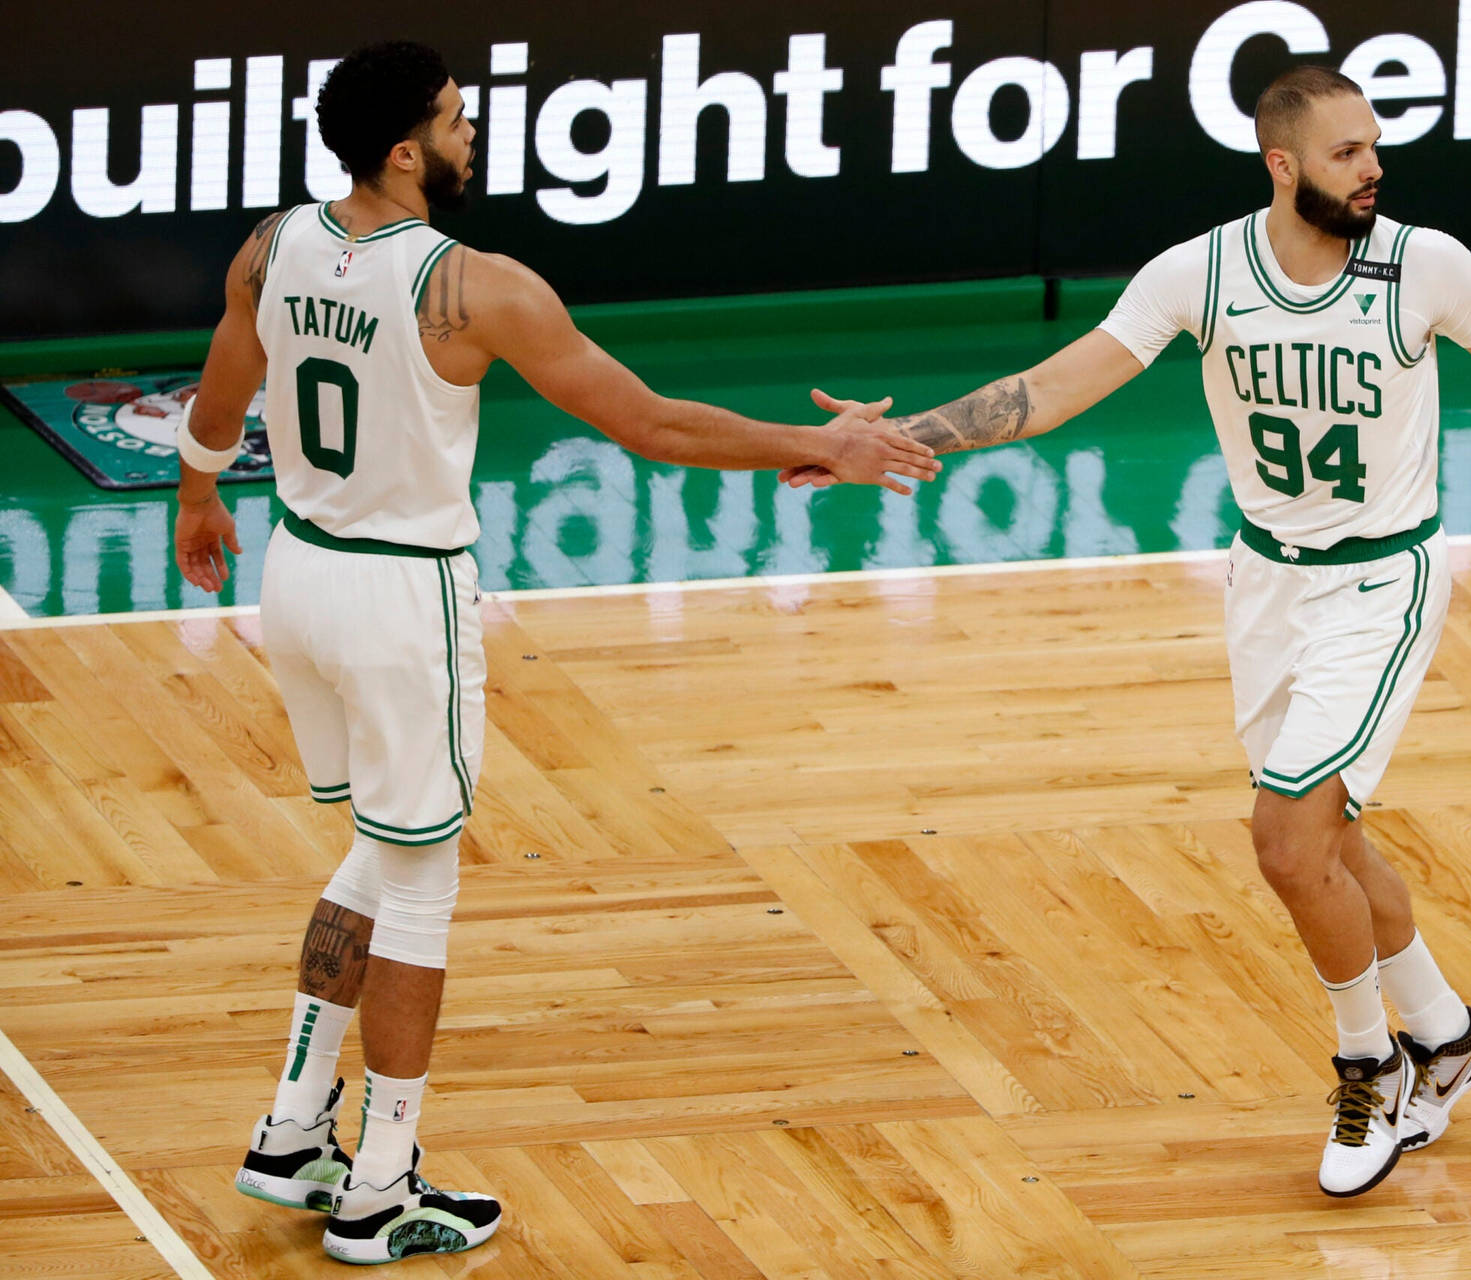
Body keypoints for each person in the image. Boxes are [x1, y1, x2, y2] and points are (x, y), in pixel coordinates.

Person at [173, 41, 936, 1265]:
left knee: (373, 848)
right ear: (408, 150)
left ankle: (291, 1127)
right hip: (402, 597)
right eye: (458, 123)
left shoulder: (273, 247)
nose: (474, 138)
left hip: (298, 579)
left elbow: (219, 394)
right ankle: (379, 1187)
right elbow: (652, 423)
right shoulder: (472, 288)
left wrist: (197, 496)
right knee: (422, 880)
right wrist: (816, 440)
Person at [783, 65, 1471, 1198]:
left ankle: (1370, 1063)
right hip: (1265, 582)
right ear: (1283, 165)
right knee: (1329, 843)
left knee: (1286, 839)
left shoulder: (1423, 263)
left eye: (1375, 147)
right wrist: (903, 434)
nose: (1375, 169)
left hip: (1380, 582)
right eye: (1348, 153)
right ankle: (1450, 1035)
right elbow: (1053, 387)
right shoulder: (1202, 271)